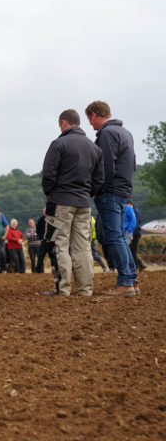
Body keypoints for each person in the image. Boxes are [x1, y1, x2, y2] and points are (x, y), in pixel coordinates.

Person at [41, 108, 104, 297]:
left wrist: (50, 194)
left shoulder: (58, 144)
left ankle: (64, 288)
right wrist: (88, 193)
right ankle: (86, 289)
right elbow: (100, 179)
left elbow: (48, 175)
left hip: (61, 201)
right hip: (84, 203)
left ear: (63, 123)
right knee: (83, 246)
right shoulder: (94, 148)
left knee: (61, 244)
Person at [86, 100, 138, 295]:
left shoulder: (107, 133)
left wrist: (96, 189)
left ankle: (125, 282)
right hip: (124, 190)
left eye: (90, 120)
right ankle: (132, 279)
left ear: (94, 115)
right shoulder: (126, 133)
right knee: (120, 238)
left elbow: (106, 167)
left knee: (114, 237)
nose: (91, 125)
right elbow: (132, 162)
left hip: (111, 191)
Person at [130, 203, 146, 271]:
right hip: (134, 233)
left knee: (132, 251)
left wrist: (132, 234)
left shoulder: (135, 211)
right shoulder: (133, 210)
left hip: (135, 234)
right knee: (131, 251)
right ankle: (140, 264)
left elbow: (135, 224)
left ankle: (136, 266)